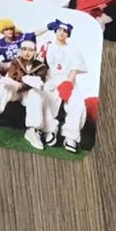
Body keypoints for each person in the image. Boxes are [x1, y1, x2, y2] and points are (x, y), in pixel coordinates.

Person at [0, 35, 50, 151]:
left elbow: (39, 82)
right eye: (24, 49)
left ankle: (32, 130)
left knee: (36, 95)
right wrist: (16, 83)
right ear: (20, 51)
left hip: (28, 94)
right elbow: (11, 76)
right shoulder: (16, 61)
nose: (27, 53)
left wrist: (22, 83)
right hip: (16, 91)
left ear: (35, 52)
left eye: (30, 50)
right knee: (5, 86)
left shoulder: (41, 67)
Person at [39, 19, 90, 153]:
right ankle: (49, 129)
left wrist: (68, 84)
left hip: (68, 80)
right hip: (51, 78)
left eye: (65, 31)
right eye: (60, 30)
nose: (62, 33)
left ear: (68, 34)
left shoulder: (73, 50)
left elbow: (75, 68)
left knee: (78, 103)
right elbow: (39, 64)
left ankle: (71, 136)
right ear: (56, 31)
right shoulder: (47, 46)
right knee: (48, 98)